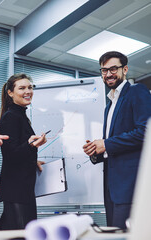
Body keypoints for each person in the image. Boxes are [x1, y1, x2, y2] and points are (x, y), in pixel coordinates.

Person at [83, 51, 151, 229]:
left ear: (125, 69)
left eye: (113, 69)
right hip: (112, 188)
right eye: (104, 70)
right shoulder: (109, 105)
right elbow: (113, 143)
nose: (108, 74)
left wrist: (105, 144)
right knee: (114, 233)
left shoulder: (137, 92)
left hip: (131, 186)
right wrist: (96, 152)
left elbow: (145, 132)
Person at [0, 73, 47, 230]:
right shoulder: (11, 117)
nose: (28, 91)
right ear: (10, 93)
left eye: (30, 87)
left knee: (11, 232)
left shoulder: (20, 115)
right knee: (22, 234)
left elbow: (17, 150)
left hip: (21, 188)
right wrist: (31, 145)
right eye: (22, 88)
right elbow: (11, 154)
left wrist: (33, 160)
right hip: (16, 189)